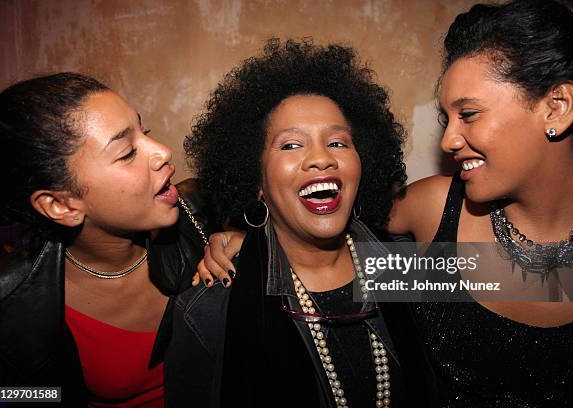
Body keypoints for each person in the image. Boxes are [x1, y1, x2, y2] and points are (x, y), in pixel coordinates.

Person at [200, 1, 573, 406]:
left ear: (557, 106)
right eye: (447, 119)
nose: (447, 141)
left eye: (469, 113)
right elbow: (329, 222)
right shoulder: (433, 211)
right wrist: (248, 239)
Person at [164, 38, 438, 407]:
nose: (320, 159)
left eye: (338, 143)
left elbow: (532, 282)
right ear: (255, 180)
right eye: (291, 145)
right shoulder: (208, 309)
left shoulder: (411, 268)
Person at [0, 73, 212, 407]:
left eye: (146, 132)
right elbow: (3, 395)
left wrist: (244, 240)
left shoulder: (205, 213)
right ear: (61, 205)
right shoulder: (9, 302)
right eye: (127, 153)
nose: (163, 152)